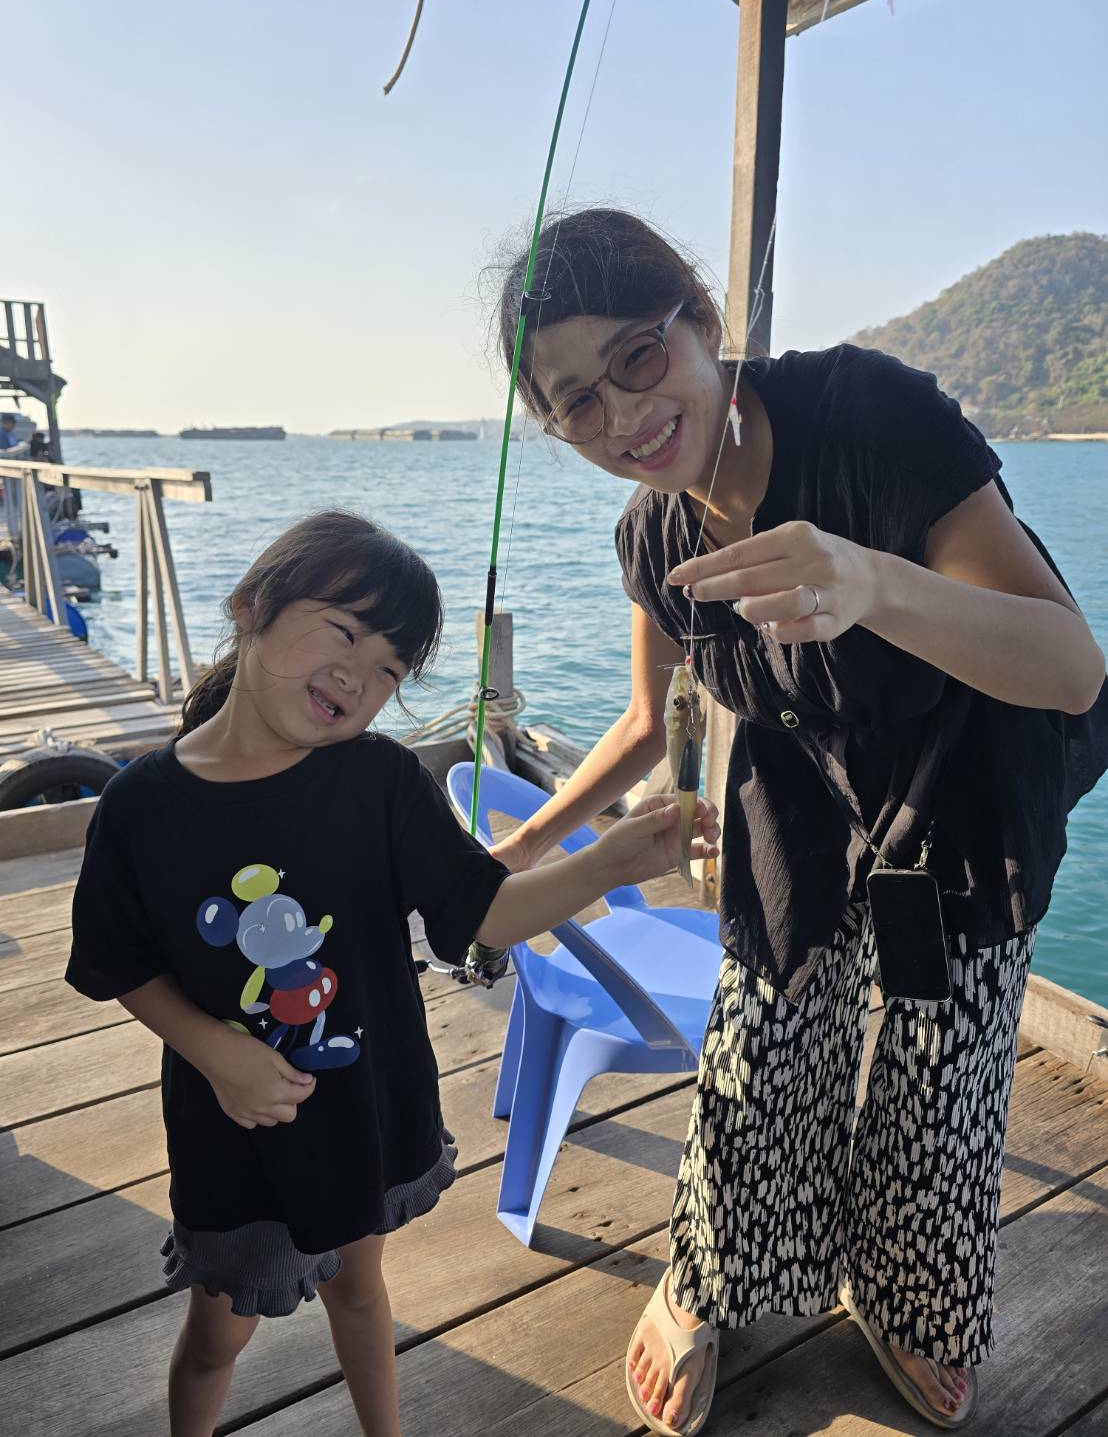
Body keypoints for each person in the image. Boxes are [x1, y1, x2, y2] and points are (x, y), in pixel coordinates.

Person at [489, 208, 1108, 1435]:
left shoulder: (868, 415)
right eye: (574, 404)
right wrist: (510, 855)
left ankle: (910, 1290)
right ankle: (712, 1269)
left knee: (941, 1056)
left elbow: (1071, 666)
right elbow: (641, 722)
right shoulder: (650, 533)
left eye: (636, 356)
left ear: (701, 319)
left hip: (965, 775)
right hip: (800, 775)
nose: (622, 417)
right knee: (762, 1030)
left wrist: (869, 580)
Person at [65, 508, 719, 1437]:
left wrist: (611, 862)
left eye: (389, 670)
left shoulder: (380, 780)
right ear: (252, 605)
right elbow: (116, 960)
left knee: (362, 1289)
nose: (357, 675)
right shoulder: (139, 806)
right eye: (343, 631)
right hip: (232, 1130)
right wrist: (213, 1049)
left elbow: (484, 910)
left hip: (359, 1108)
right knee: (219, 1331)